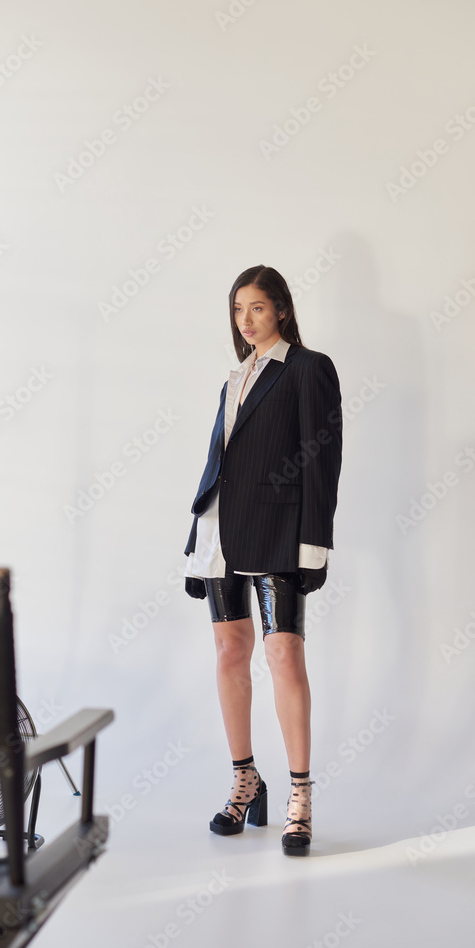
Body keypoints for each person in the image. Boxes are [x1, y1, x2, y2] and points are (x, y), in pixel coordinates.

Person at [183, 264, 342, 856]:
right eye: (237, 309)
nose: (245, 320)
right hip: (220, 529)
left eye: (256, 307)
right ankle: (245, 779)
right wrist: (196, 540)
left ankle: (301, 794)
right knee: (230, 653)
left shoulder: (307, 368)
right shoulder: (237, 376)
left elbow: (322, 462)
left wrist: (313, 545)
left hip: (278, 531)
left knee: (284, 656)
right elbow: (218, 462)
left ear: (281, 309)